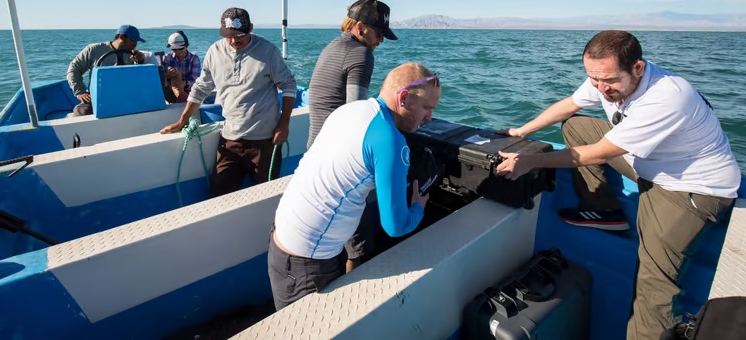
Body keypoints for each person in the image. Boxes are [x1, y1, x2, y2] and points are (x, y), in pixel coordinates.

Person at [496, 30, 740, 340]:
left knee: (654, 281)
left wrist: (531, 161)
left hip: (690, 186)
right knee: (578, 125)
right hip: (650, 163)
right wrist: (521, 131)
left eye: (609, 81)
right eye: (594, 79)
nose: (600, 88)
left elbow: (601, 153)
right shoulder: (604, 77)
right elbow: (570, 105)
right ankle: (604, 210)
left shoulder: (667, 97)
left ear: (637, 68)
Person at [268, 62, 441, 310]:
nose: (429, 117)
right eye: (427, 107)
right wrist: (418, 207)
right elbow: (396, 226)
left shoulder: (351, 110)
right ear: (403, 98)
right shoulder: (391, 141)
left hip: (282, 235)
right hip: (307, 263)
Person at [160, 8, 297, 196]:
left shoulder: (268, 51)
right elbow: (201, 88)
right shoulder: (215, 51)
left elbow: (289, 85)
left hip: (265, 142)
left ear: (251, 28)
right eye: (229, 36)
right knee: (218, 195)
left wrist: (284, 124)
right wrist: (182, 121)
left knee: (266, 198)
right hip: (230, 138)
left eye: (239, 35)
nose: (234, 41)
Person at [306, 0, 398, 273]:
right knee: (359, 247)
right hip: (336, 160)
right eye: (378, 33)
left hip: (315, 151)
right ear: (360, 27)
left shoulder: (332, 47)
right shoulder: (361, 54)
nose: (380, 40)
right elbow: (354, 113)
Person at [66, 25, 146, 116]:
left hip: (124, 96)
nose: (135, 44)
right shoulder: (94, 49)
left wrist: (140, 62)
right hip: (98, 97)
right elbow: (74, 69)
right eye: (132, 40)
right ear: (121, 37)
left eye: (136, 41)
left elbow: (138, 79)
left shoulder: (134, 55)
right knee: (82, 111)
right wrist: (80, 92)